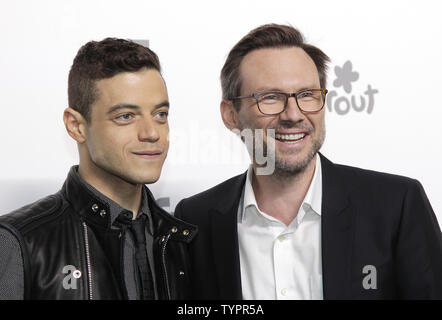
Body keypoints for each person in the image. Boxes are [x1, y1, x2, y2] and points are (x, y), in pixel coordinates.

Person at [174, 24, 442, 299]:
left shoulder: (396, 206)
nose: (293, 114)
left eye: (306, 95)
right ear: (231, 115)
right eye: (270, 97)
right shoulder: (196, 220)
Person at [0, 38, 196, 300]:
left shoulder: (184, 241)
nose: (152, 133)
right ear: (76, 126)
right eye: (125, 116)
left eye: (160, 114)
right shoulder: (19, 241)